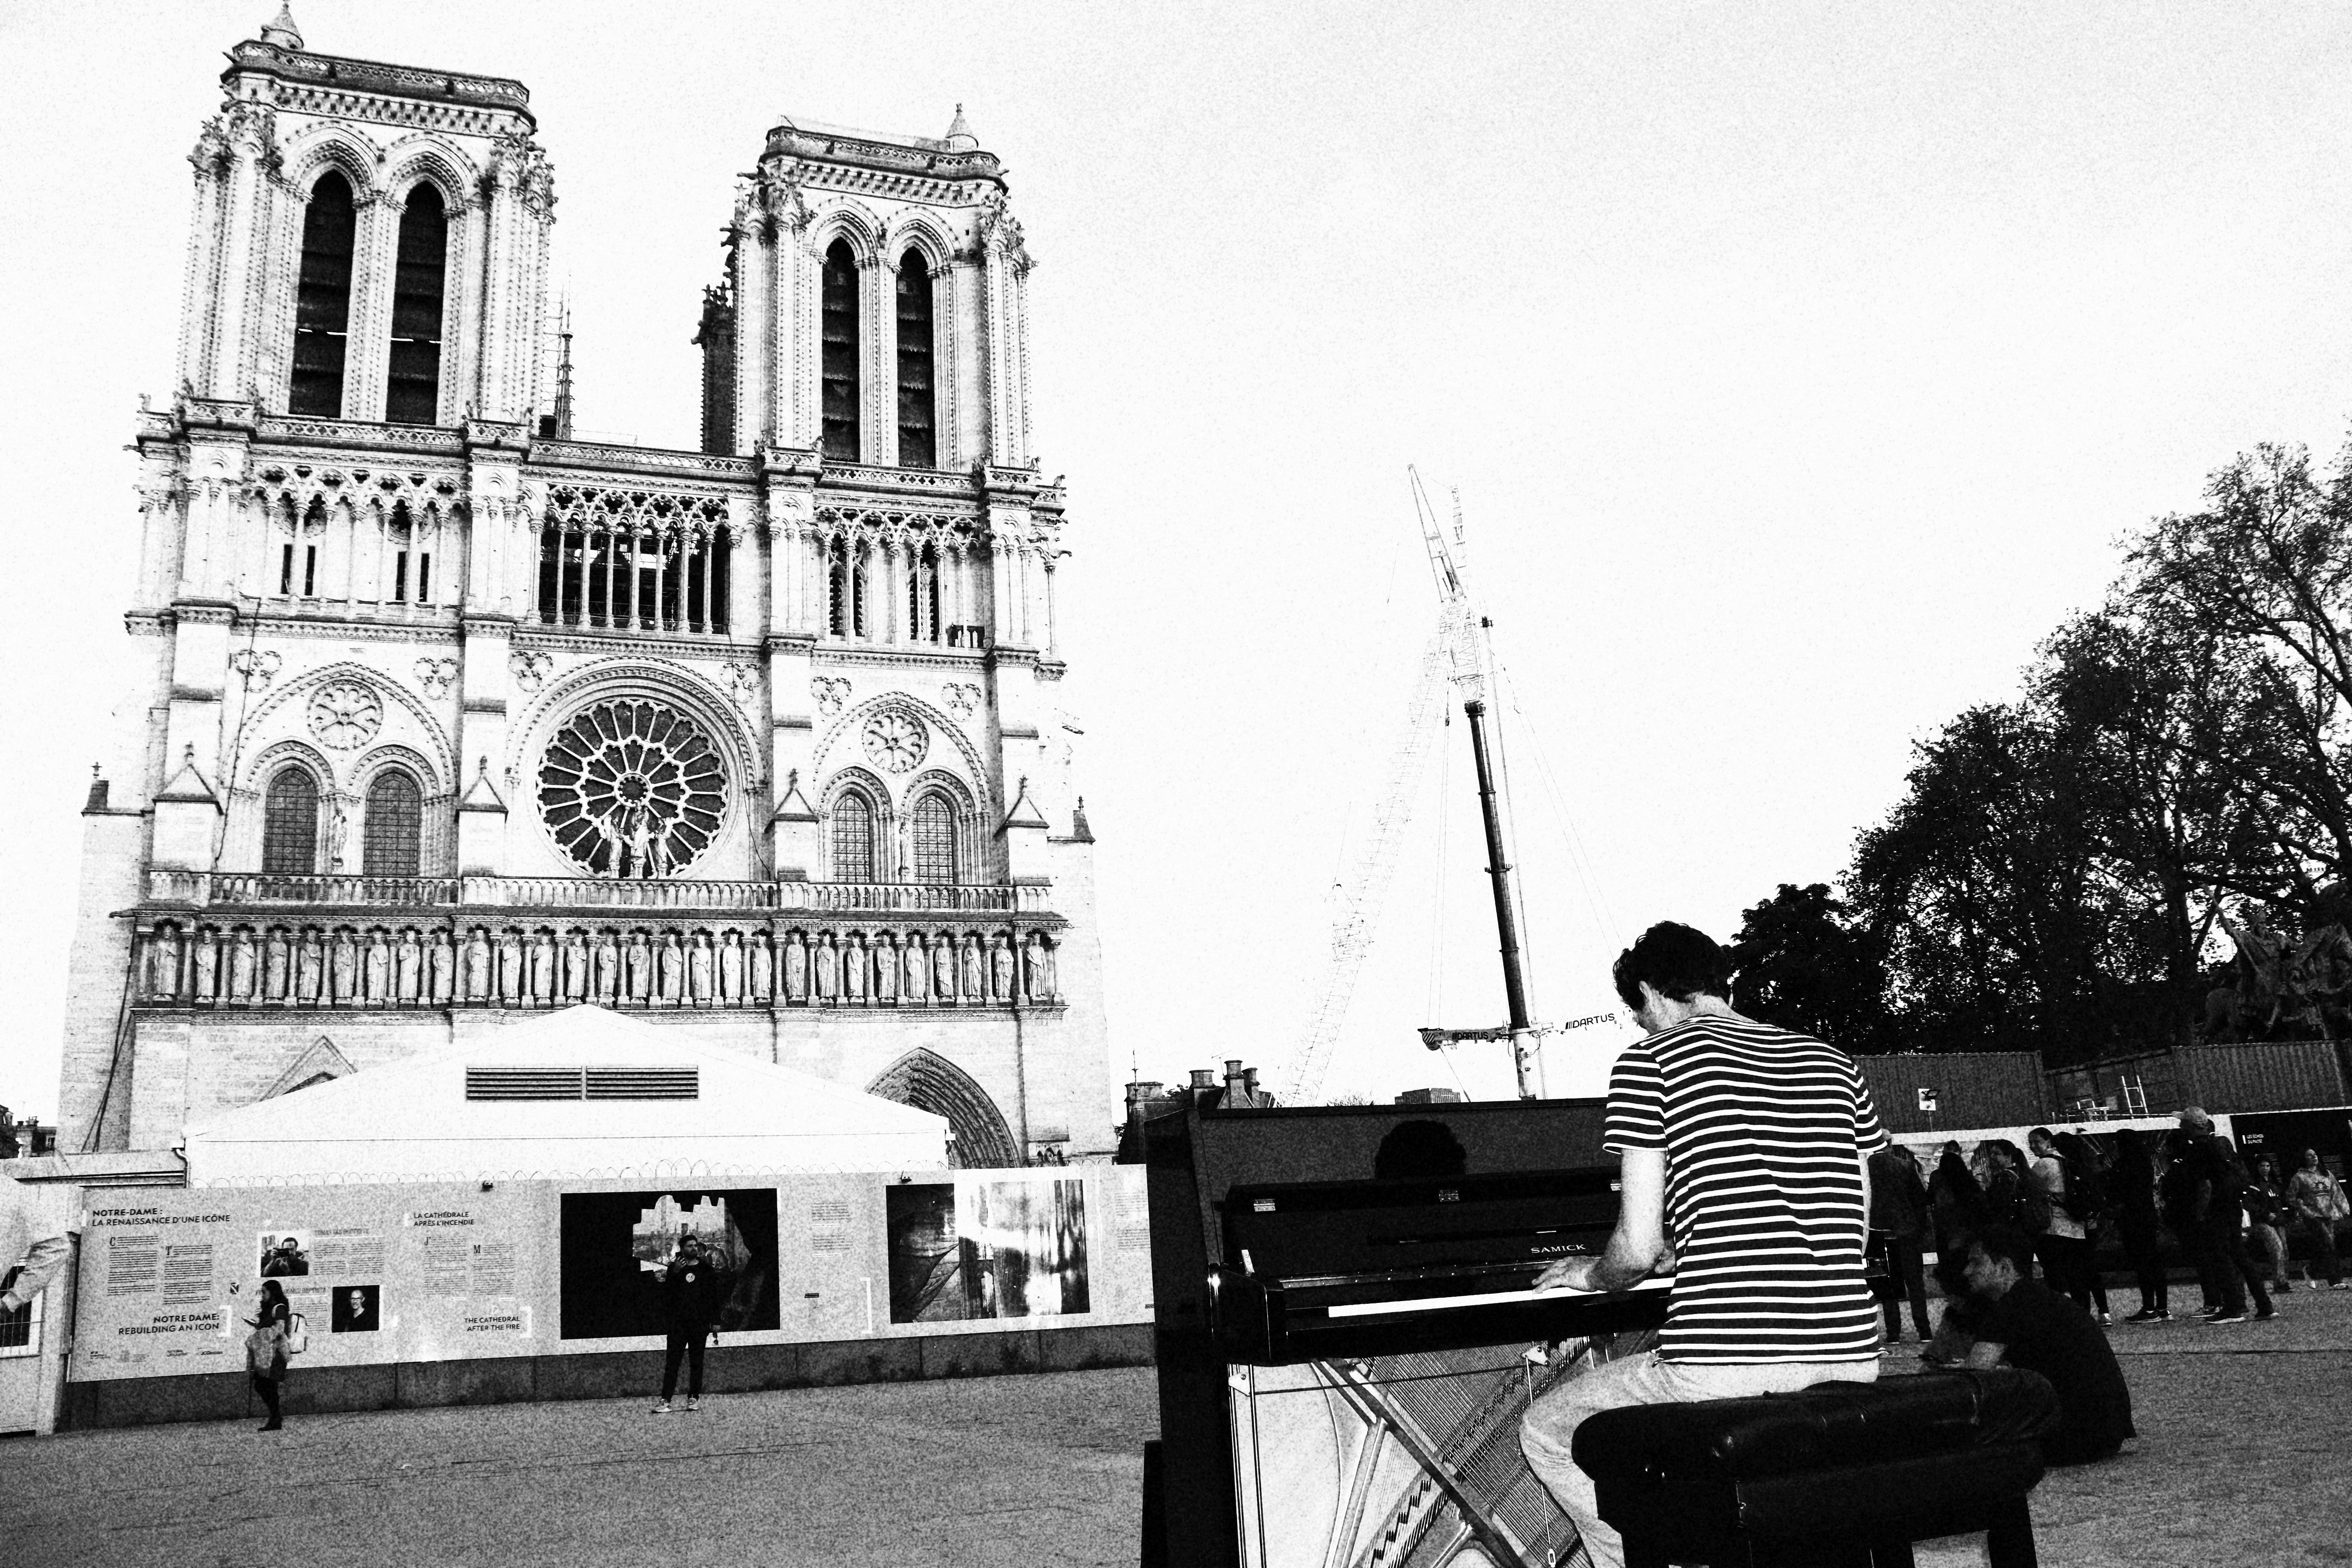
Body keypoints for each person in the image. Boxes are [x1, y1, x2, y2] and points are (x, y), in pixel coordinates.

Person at [1519, 923, 1886, 1568]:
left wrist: (1589, 1274)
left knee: (1547, 1430)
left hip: (1723, 1364)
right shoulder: (1833, 1062)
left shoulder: (1650, 1062)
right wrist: (1694, 1248)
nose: (1641, 1026)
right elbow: (1850, 1223)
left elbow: (1635, 1251)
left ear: (1649, 993)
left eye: (1637, 1012)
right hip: (1851, 1356)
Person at [1957, 1225, 2135, 1465]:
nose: (1967, 1271)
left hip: (2074, 1436)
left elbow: (1973, 1379)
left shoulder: (2009, 1308)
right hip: (2108, 1430)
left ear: (2005, 1267)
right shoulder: (2044, 1300)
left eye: (1976, 1263)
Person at [2175, 1108, 2271, 1324]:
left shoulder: (2198, 1149)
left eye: (2183, 1123)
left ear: (2192, 1126)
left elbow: (2205, 1185)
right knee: (2241, 1256)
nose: (2180, 1126)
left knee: (2221, 1258)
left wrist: (2199, 1212)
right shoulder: (2222, 1144)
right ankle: (2265, 1305)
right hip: (2233, 1206)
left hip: (2216, 1209)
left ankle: (2232, 1309)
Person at [1869, 1143, 1933, 1344]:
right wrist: (1920, 1230)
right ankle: (1924, 1331)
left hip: (1879, 1233)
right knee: (1915, 1284)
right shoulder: (1905, 1166)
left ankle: (1893, 1333)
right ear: (1889, 1145)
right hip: (1908, 1233)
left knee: (1888, 1286)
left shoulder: (1867, 1168)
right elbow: (1920, 1200)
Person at [653, 1234, 723, 1414]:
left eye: (695, 1245)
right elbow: (667, 1296)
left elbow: (714, 1297)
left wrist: (716, 1321)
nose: (694, 1248)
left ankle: (693, 1398)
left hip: (699, 1324)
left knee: (696, 1362)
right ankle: (666, 1400)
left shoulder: (706, 1269)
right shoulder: (674, 1268)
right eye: (690, 1246)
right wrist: (674, 1274)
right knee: (673, 1363)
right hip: (678, 1325)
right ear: (682, 1248)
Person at [2027, 1128, 2091, 1312]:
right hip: (2077, 1229)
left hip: (2054, 1229)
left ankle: (2060, 1318)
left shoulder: (2043, 1164)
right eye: (2030, 1143)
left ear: (2049, 1142)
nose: (2033, 1146)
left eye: (2037, 1142)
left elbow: (2030, 1193)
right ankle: (2084, 1317)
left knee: (2055, 1280)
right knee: (2078, 1279)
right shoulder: (2069, 1163)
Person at [2052, 1131, 2112, 1323]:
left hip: (2073, 1225)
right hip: (2091, 1222)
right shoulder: (2088, 1165)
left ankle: (2084, 1315)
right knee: (2092, 1269)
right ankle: (2104, 1312)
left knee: (2077, 1273)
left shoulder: (2064, 1167)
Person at [2111, 1128, 2170, 1321]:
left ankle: (2149, 1309)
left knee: (2142, 1264)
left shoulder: (2124, 1164)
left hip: (2132, 1218)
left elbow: (2119, 1191)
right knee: (2154, 1261)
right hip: (2148, 1215)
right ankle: (2163, 1308)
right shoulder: (2145, 1162)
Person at [2285, 1149, 2347, 1288]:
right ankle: (2336, 1281)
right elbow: (2290, 1197)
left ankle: (2311, 1271)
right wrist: (2303, 1209)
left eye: (2315, 1154)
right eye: (2309, 1155)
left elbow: (2337, 1192)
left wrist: (2345, 1210)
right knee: (2329, 1245)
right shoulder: (2300, 1177)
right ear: (2304, 1159)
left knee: (2325, 1248)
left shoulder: (2327, 1174)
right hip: (2313, 1217)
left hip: (2328, 1216)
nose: (2314, 1157)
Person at [245, 1279, 293, 1433]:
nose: (263, 1295)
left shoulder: (280, 1308)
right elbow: (267, 1328)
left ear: (273, 1292)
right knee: (264, 1385)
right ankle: (275, 1418)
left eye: (265, 1292)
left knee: (267, 1385)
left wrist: (262, 1337)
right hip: (265, 1353)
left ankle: (275, 1419)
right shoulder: (268, 1309)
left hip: (275, 1353)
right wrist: (257, 1326)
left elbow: (280, 1329)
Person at [2243, 1155, 2294, 1291]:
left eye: (2267, 1166)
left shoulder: (2274, 1184)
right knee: (2277, 1249)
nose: (2265, 1169)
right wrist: (2265, 1214)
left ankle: (2283, 1281)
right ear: (2257, 1167)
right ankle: (2280, 1283)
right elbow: (2247, 1204)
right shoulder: (2253, 1185)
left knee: (2284, 1251)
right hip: (2264, 1222)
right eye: (2262, 1166)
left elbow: (2282, 1201)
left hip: (2279, 1221)